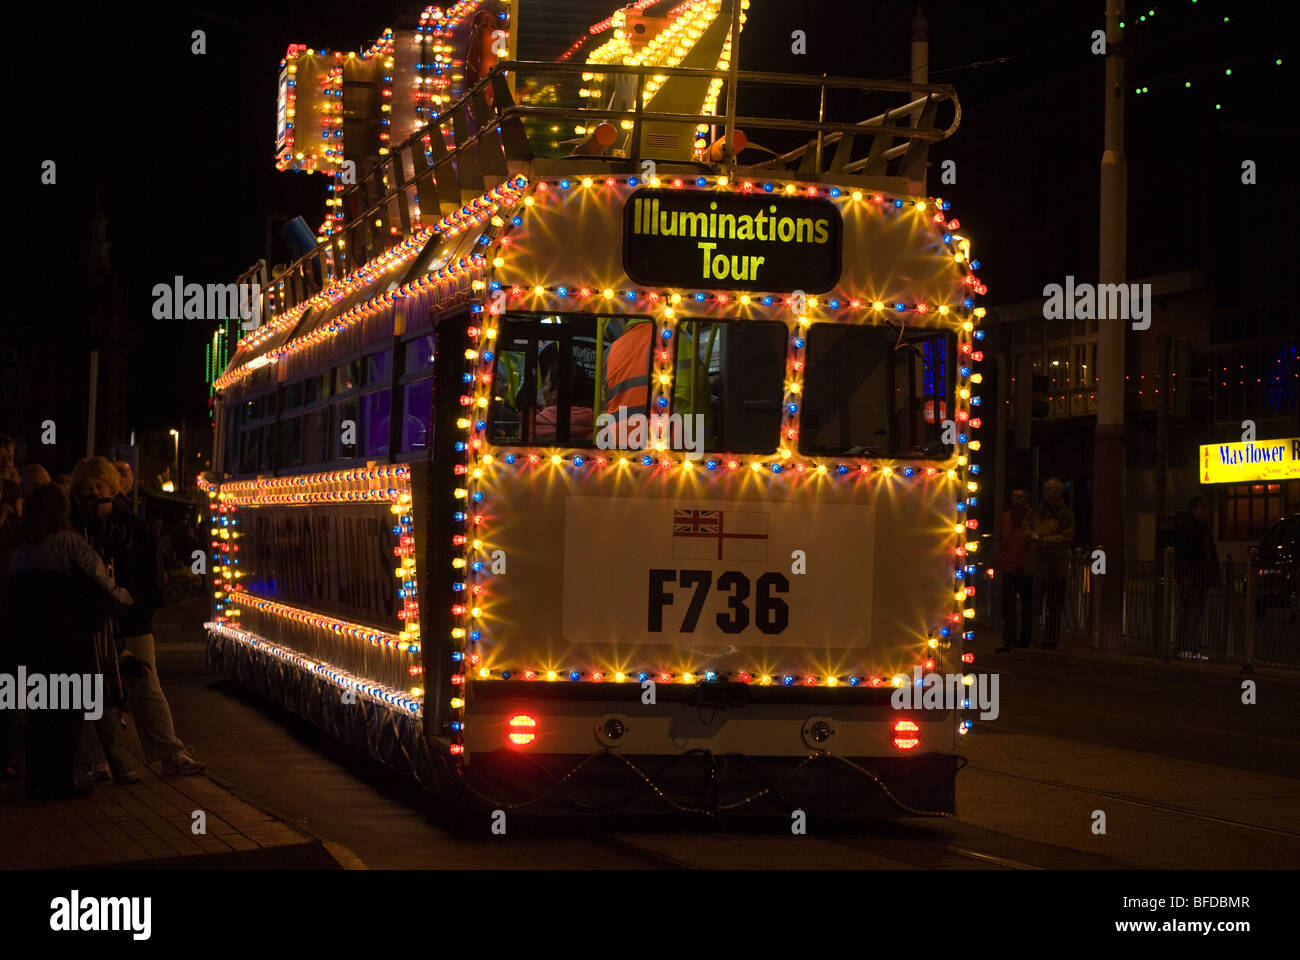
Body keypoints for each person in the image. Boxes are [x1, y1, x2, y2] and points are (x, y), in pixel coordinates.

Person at [71, 457, 205, 777]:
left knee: (146, 682)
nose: (93, 493)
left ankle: (168, 751)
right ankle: (97, 759)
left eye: (99, 486)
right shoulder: (75, 527)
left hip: (133, 619)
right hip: (91, 623)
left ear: (111, 487)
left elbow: (151, 572)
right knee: (91, 690)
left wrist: (143, 607)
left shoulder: (132, 526)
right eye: (87, 488)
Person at [7, 484, 132, 800]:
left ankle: (37, 781)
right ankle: (61, 780)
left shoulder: (21, 550)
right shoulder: (70, 546)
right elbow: (100, 587)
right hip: (68, 638)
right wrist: (126, 600)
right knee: (68, 713)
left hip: (31, 640)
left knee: (41, 711)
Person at [1025, 477, 1076, 648]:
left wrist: (1043, 540)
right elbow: (1027, 525)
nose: (1045, 492)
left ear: (1058, 492)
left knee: (1053, 606)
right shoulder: (1039, 511)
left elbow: (1067, 538)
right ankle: (1034, 637)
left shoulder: (1065, 513)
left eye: (1049, 489)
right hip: (1040, 565)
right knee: (1035, 604)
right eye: (1045, 489)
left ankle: (1050, 640)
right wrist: (1031, 536)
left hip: (1056, 566)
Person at [1174, 495, 1219, 649]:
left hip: (1200, 577)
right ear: (1193, 509)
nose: (1205, 510)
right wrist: (1184, 577)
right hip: (1193, 577)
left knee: (1194, 612)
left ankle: (1187, 645)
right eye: (1202, 507)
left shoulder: (1203, 528)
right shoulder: (1190, 528)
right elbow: (1184, 554)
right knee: (1191, 613)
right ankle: (1188, 646)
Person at [995, 487, 1033, 652]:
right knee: (1009, 605)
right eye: (1015, 497)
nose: (1017, 500)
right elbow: (1000, 538)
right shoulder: (1007, 517)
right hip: (1010, 565)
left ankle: (1023, 638)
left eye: (1020, 497)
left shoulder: (1030, 516)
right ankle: (1011, 638)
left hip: (1023, 566)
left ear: (1026, 498)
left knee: (1025, 605)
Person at [533, 357, 595, 442]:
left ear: (555, 392)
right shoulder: (595, 423)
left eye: (546, 385)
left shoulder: (535, 425)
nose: (544, 390)